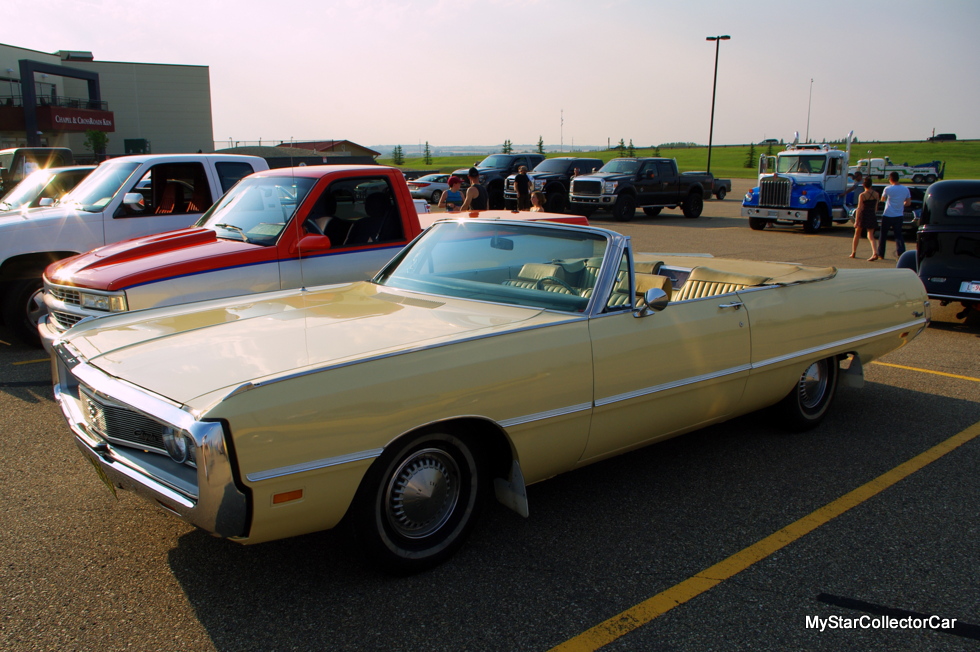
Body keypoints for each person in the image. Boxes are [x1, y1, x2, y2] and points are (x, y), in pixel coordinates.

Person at [877, 171, 911, 259]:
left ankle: (881, 253)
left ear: (891, 179)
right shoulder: (905, 189)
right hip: (899, 214)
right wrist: (901, 203)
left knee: (883, 235)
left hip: (888, 214)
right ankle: (901, 252)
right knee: (898, 235)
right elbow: (908, 203)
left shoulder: (887, 189)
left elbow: (883, 199)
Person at [849, 177, 880, 261]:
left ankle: (853, 252)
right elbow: (876, 207)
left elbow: (859, 208)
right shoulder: (876, 194)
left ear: (863, 185)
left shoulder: (862, 195)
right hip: (871, 214)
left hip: (863, 214)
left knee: (857, 234)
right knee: (870, 235)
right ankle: (875, 252)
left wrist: (856, 220)